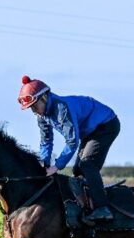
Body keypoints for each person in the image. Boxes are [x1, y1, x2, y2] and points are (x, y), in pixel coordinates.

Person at [17, 75, 120, 223]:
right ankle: (87, 205)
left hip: (106, 125)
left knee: (87, 165)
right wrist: (45, 164)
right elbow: (46, 141)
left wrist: (57, 166)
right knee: (77, 171)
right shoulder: (42, 115)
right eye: (30, 108)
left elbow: (72, 141)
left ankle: (102, 208)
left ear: (44, 98)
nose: (33, 111)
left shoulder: (61, 109)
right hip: (90, 130)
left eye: (34, 106)